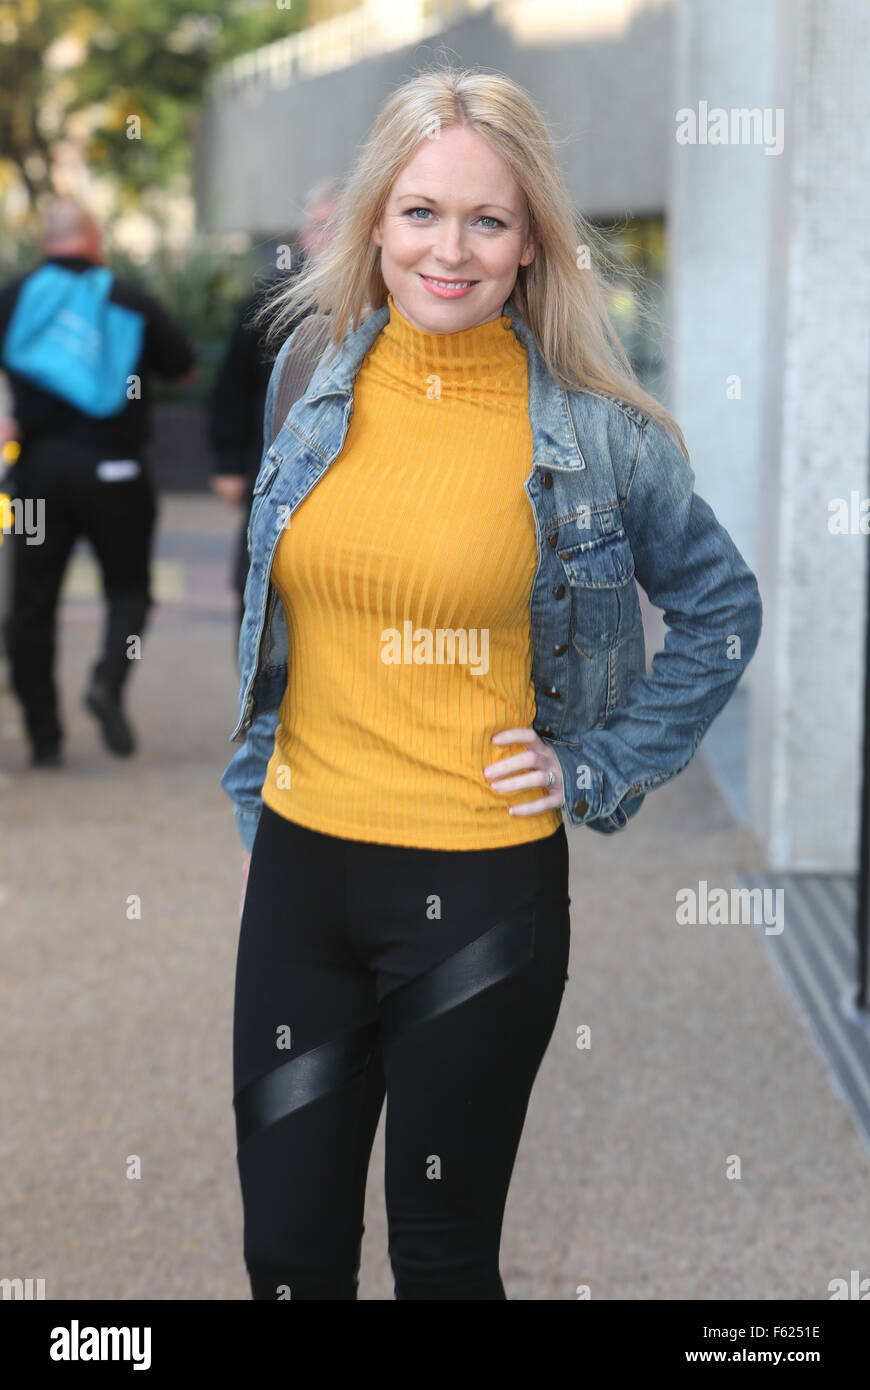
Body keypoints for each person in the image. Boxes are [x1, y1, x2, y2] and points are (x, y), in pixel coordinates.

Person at [220, 66, 764, 1300]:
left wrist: (598, 762)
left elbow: (723, 611)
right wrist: (261, 794)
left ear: (531, 245)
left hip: (479, 895)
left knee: (443, 1258)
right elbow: (274, 603)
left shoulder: (595, 434)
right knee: (289, 1255)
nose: (448, 250)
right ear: (373, 220)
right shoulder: (309, 375)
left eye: (487, 220)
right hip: (302, 875)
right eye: (419, 212)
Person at [0, 200, 196, 765]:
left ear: (47, 240)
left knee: (31, 603)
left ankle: (44, 739)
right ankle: (108, 680)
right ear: (92, 238)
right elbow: (183, 366)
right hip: (117, 474)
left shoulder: (15, 297)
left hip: (37, 477)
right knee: (129, 589)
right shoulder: (129, 300)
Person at [208, 179, 342, 641]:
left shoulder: (387, 297)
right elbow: (232, 386)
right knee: (256, 586)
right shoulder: (270, 299)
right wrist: (227, 463)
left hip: (347, 473)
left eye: (342, 227)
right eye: (322, 226)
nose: (330, 238)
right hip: (268, 466)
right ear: (304, 233)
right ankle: (257, 708)